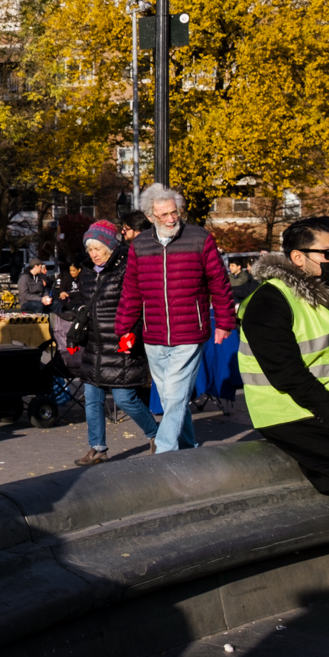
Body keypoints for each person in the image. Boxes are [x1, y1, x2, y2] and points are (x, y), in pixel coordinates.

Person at [239, 217, 329, 602]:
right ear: (297, 257)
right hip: (288, 414)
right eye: (328, 253)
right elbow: (291, 378)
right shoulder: (269, 300)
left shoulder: (325, 295)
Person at [114, 184, 236, 454]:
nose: (171, 219)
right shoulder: (140, 245)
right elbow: (132, 290)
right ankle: (189, 444)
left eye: (175, 212)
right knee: (171, 397)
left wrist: (225, 321)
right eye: (164, 215)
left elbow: (219, 282)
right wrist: (123, 328)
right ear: (150, 217)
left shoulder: (200, 238)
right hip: (154, 333)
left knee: (178, 393)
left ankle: (164, 451)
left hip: (190, 331)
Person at [73, 220, 158, 466]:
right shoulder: (87, 272)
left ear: (110, 246)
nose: (93, 254)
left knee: (124, 398)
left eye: (98, 248)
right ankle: (97, 447)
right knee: (92, 398)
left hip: (122, 343)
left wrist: (133, 334)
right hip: (95, 346)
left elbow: (140, 305)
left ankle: (156, 434)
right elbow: (85, 302)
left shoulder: (126, 267)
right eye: (90, 249)